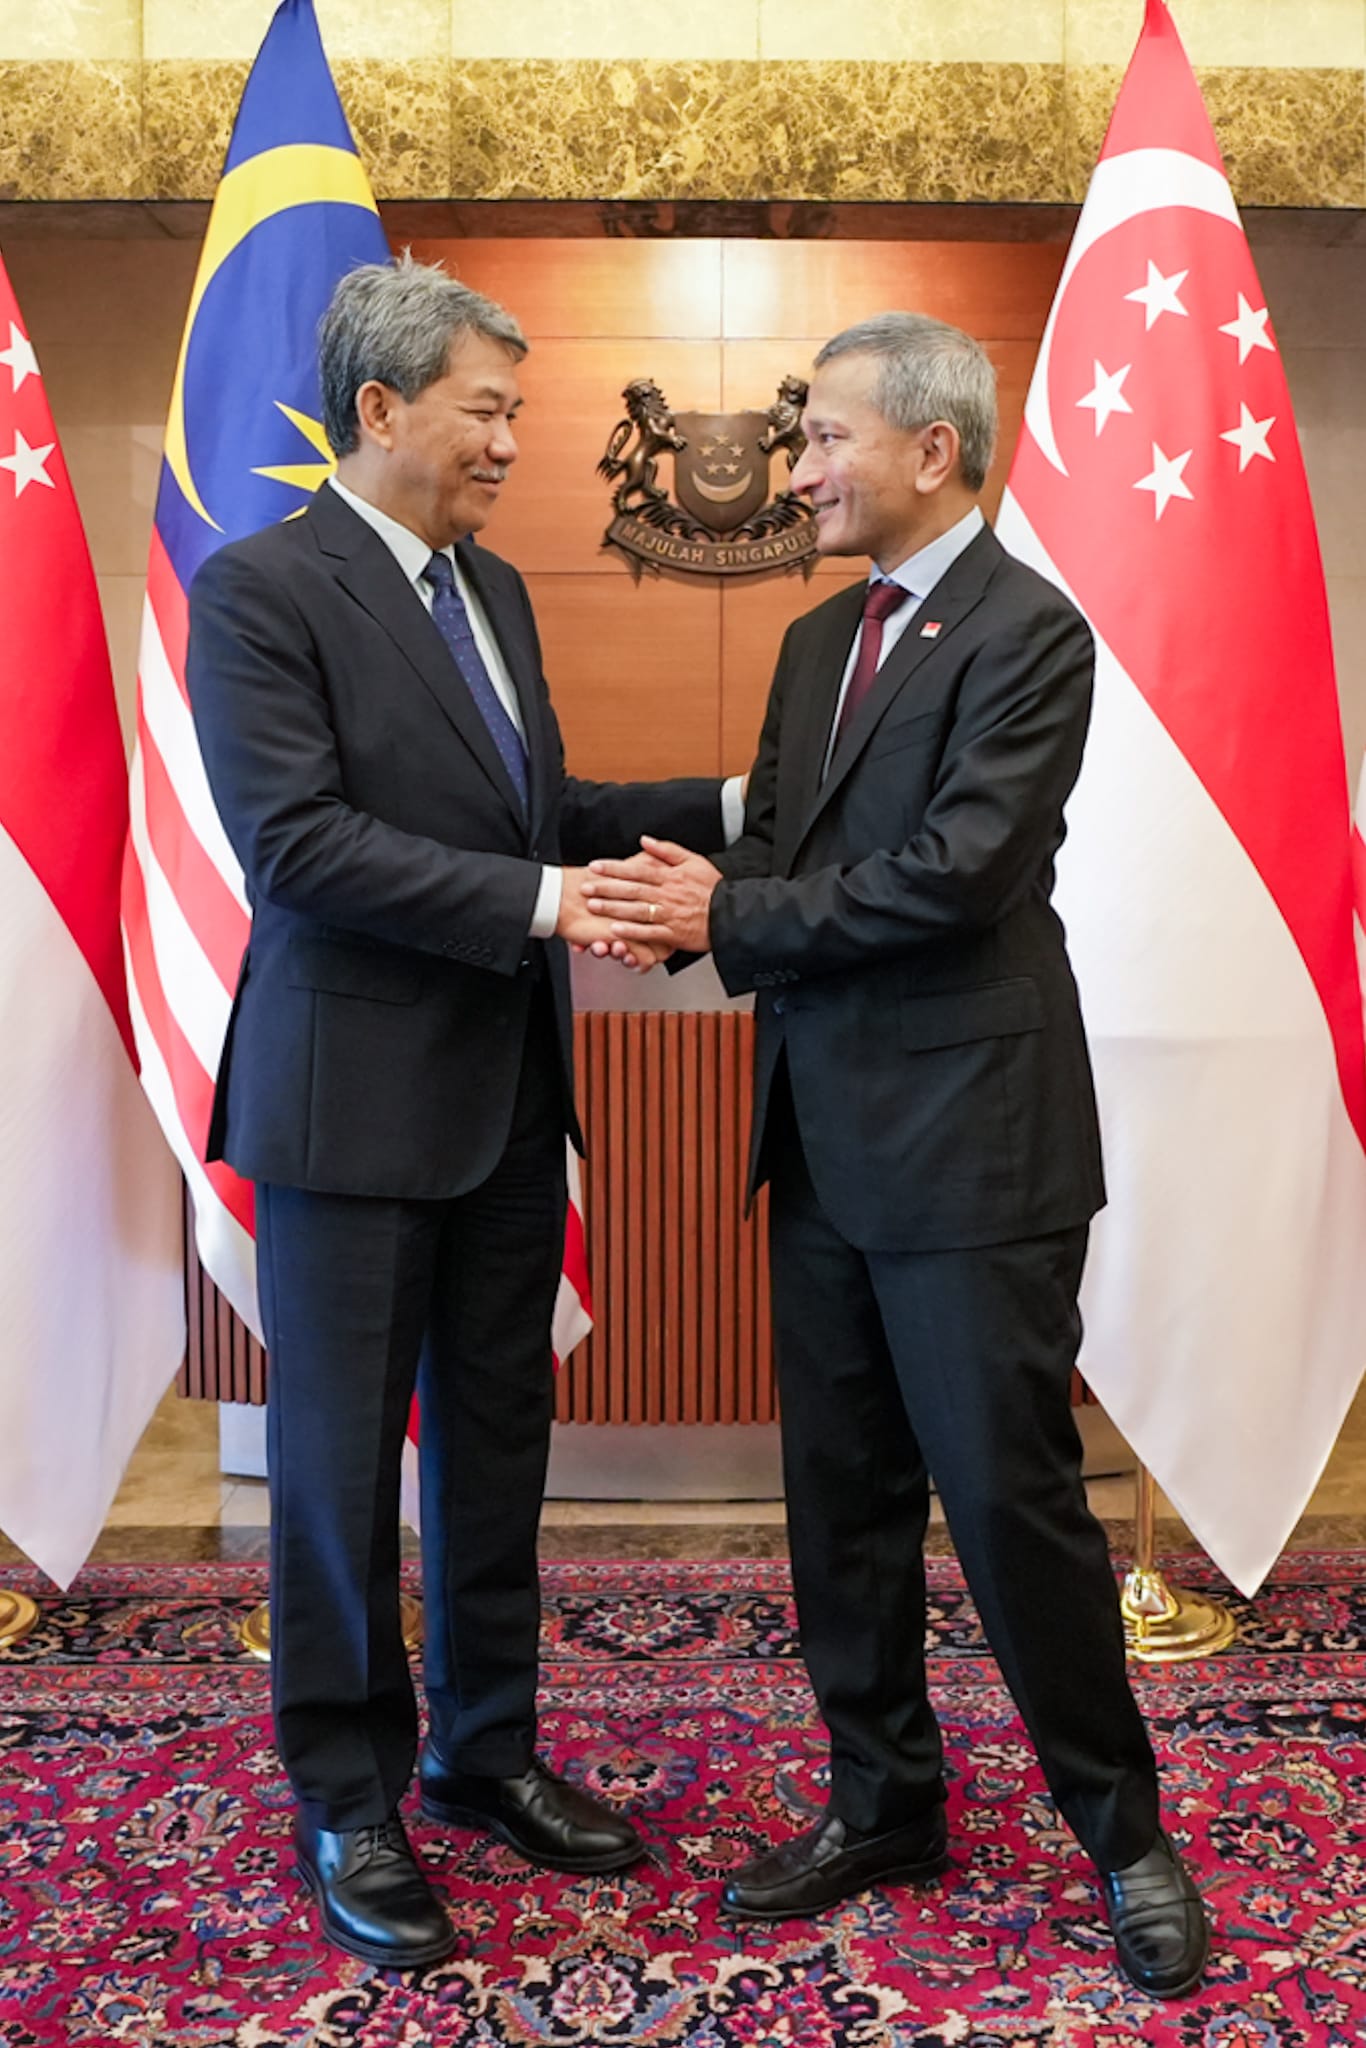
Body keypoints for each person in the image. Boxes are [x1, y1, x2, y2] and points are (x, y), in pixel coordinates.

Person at [586, 311, 1209, 2000]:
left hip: (973, 1154)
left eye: (821, 440)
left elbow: (956, 872)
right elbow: (785, 851)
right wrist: (669, 904)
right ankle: (884, 1803)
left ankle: (1122, 1835)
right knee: (840, 1506)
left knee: (1009, 1508)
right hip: (820, 1144)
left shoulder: (1028, 631)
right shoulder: (814, 643)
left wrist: (727, 919)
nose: (798, 472)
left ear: (930, 449)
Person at [188, 254, 740, 1969]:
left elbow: (537, 810)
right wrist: (548, 906)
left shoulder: (489, 589)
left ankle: (482, 1754)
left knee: (498, 1447)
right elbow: (300, 846)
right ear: (380, 407)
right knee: (340, 1474)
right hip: (349, 1112)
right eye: (486, 410)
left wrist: (740, 799)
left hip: (506, 1100)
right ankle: (347, 1797)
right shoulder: (260, 591)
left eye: (515, 410)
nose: (511, 441)